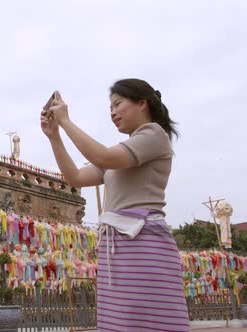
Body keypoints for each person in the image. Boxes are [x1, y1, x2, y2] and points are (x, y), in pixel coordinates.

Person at [41, 78, 189, 332]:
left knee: (150, 321)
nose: (112, 112)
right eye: (110, 107)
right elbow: (74, 177)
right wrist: (54, 136)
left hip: (143, 241)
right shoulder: (123, 151)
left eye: (118, 104)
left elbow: (102, 157)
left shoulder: (153, 134)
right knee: (121, 322)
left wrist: (65, 121)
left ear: (142, 103)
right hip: (117, 247)